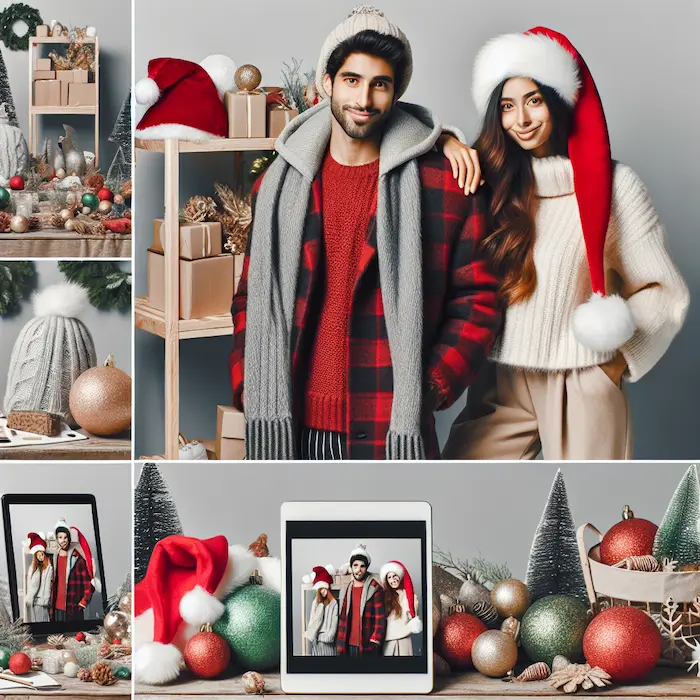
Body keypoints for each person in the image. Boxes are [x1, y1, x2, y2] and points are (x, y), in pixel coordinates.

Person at [230, 5, 502, 460]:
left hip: (390, 424)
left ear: (396, 93)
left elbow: (479, 299)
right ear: (328, 83)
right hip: (289, 424)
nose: (364, 99)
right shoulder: (278, 184)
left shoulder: (445, 185)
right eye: (352, 80)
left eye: (380, 84)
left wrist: (430, 388)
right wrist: (248, 383)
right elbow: (248, 297)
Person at [442, 27, 689, 460]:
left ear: (558, 100)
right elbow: (397, 138)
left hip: (580, 380)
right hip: (499, 380)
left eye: (534, 101)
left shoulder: (615, 187)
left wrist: (614, 363)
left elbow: (665, 292)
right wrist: (444, 140)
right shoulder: (487, 180)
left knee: (587, 513)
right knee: (466, 484)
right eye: (507, 106)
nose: (521, 119)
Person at [336, 544, 384, 656]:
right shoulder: (347, 589)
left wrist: (375, 641)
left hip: (367, 645)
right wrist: (340, 642)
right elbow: (343, 617)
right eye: (355, 565)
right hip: (347, 645)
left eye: (362, 566)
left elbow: (380, 619)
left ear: (366, 568)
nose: (358, 570)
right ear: (351, 567)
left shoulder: (375, 588)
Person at [50, 519, 100, 622]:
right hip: (57, 607)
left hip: (73, 607)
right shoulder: (54, 557)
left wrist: (84, 601)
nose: (63, 540)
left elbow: (88, 582)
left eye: (65, 537)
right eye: (60, 537)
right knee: (58, 636)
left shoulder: (77, 558)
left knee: (74, 635)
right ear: (56, 539)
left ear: (69, 538)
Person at [379, 560, 422, 656]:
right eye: (389, 577)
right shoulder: (384, 597)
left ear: (400, 577)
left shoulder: (410, 597)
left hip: (404, 640)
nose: (393, 579)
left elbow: (412, 615)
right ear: (387, 580)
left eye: (395, 576)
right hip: (388, 641)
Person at [304, 566, 339, 656]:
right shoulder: (316, 603)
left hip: (328, 640)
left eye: (324, 589)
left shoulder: (333, 604)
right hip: (317, 639)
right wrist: (312, 635)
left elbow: (334, 622)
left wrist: (329, 636)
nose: (323, 592)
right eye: (320, 590)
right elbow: (313, 619)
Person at [23, 532, 52, 623]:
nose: (41, 557)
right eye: (38, 555)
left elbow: (47, 585)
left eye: (42, 554)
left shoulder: (48, 568)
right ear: (35, 555)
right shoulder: (33, 569)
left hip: (41, 601)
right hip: (35, 601)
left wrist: (46, 599)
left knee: (42, 621)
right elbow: (31, 585)